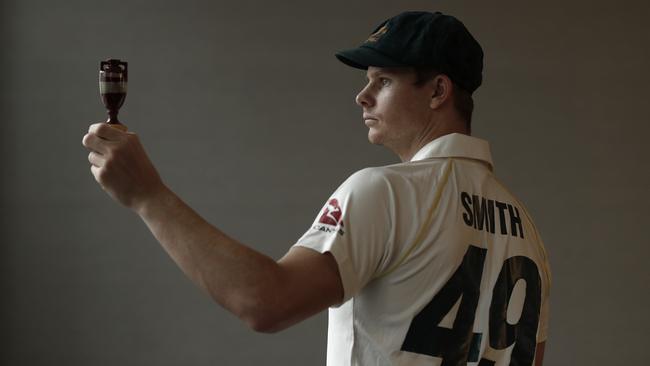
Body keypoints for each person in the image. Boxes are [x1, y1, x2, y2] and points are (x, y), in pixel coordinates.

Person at [82, 11, 550, 366]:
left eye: (383, 81)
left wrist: (147, 194)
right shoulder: (526, 227)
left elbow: (265, 302)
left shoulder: (384, 192)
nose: (362, 97)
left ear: (438, 91)